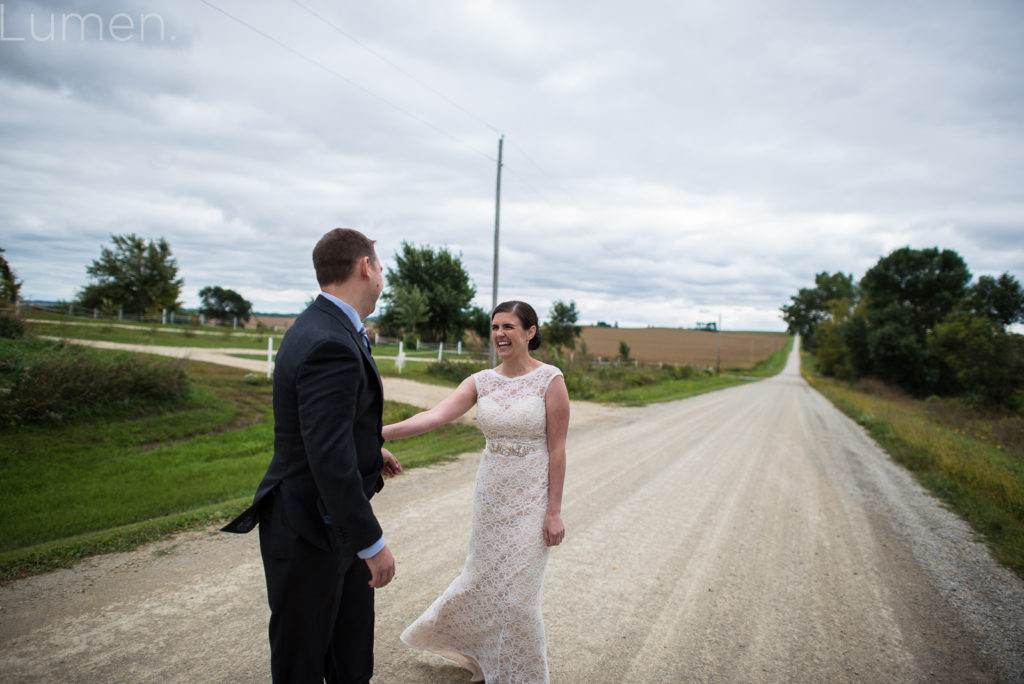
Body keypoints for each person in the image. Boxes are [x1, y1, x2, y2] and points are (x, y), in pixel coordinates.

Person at [222, 227, 402, 683]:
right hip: (309, 527)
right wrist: (372, 543)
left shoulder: (328, 326)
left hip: (326, 521)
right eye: (380, 267)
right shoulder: (329, 341)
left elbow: (327, 428)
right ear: (365, 267)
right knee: (303, 659)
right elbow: (327, 456)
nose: (382, 277)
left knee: (349, 651)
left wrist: (369, 450)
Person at [383, 300, 569, 683]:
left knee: (517, 596)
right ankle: (487, 661)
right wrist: (375, 433)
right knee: (483, 580)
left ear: (530, 332)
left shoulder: (550, 380)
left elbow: (558, 449)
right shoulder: (480, 381)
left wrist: (554, 511)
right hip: (491, 495)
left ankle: (519, 675)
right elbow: (434, 416)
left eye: (510, 327)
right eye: (495, 326)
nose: (500, 334)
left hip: (532, 497)